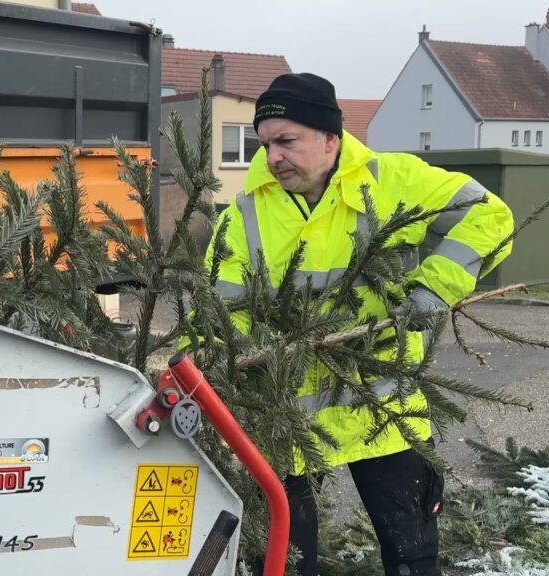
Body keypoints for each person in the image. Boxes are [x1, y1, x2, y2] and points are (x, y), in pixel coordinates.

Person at [206, 73, 514, 576]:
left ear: (331, 138)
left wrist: (434, 285)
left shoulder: (394, 181)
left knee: (412, 556)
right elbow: (216, 311)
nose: (273, 157)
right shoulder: (245, 214)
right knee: (282, 562)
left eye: (287, 141)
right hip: (288, 423)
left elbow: (489, 215)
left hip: (383, 411)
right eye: (265, 145)